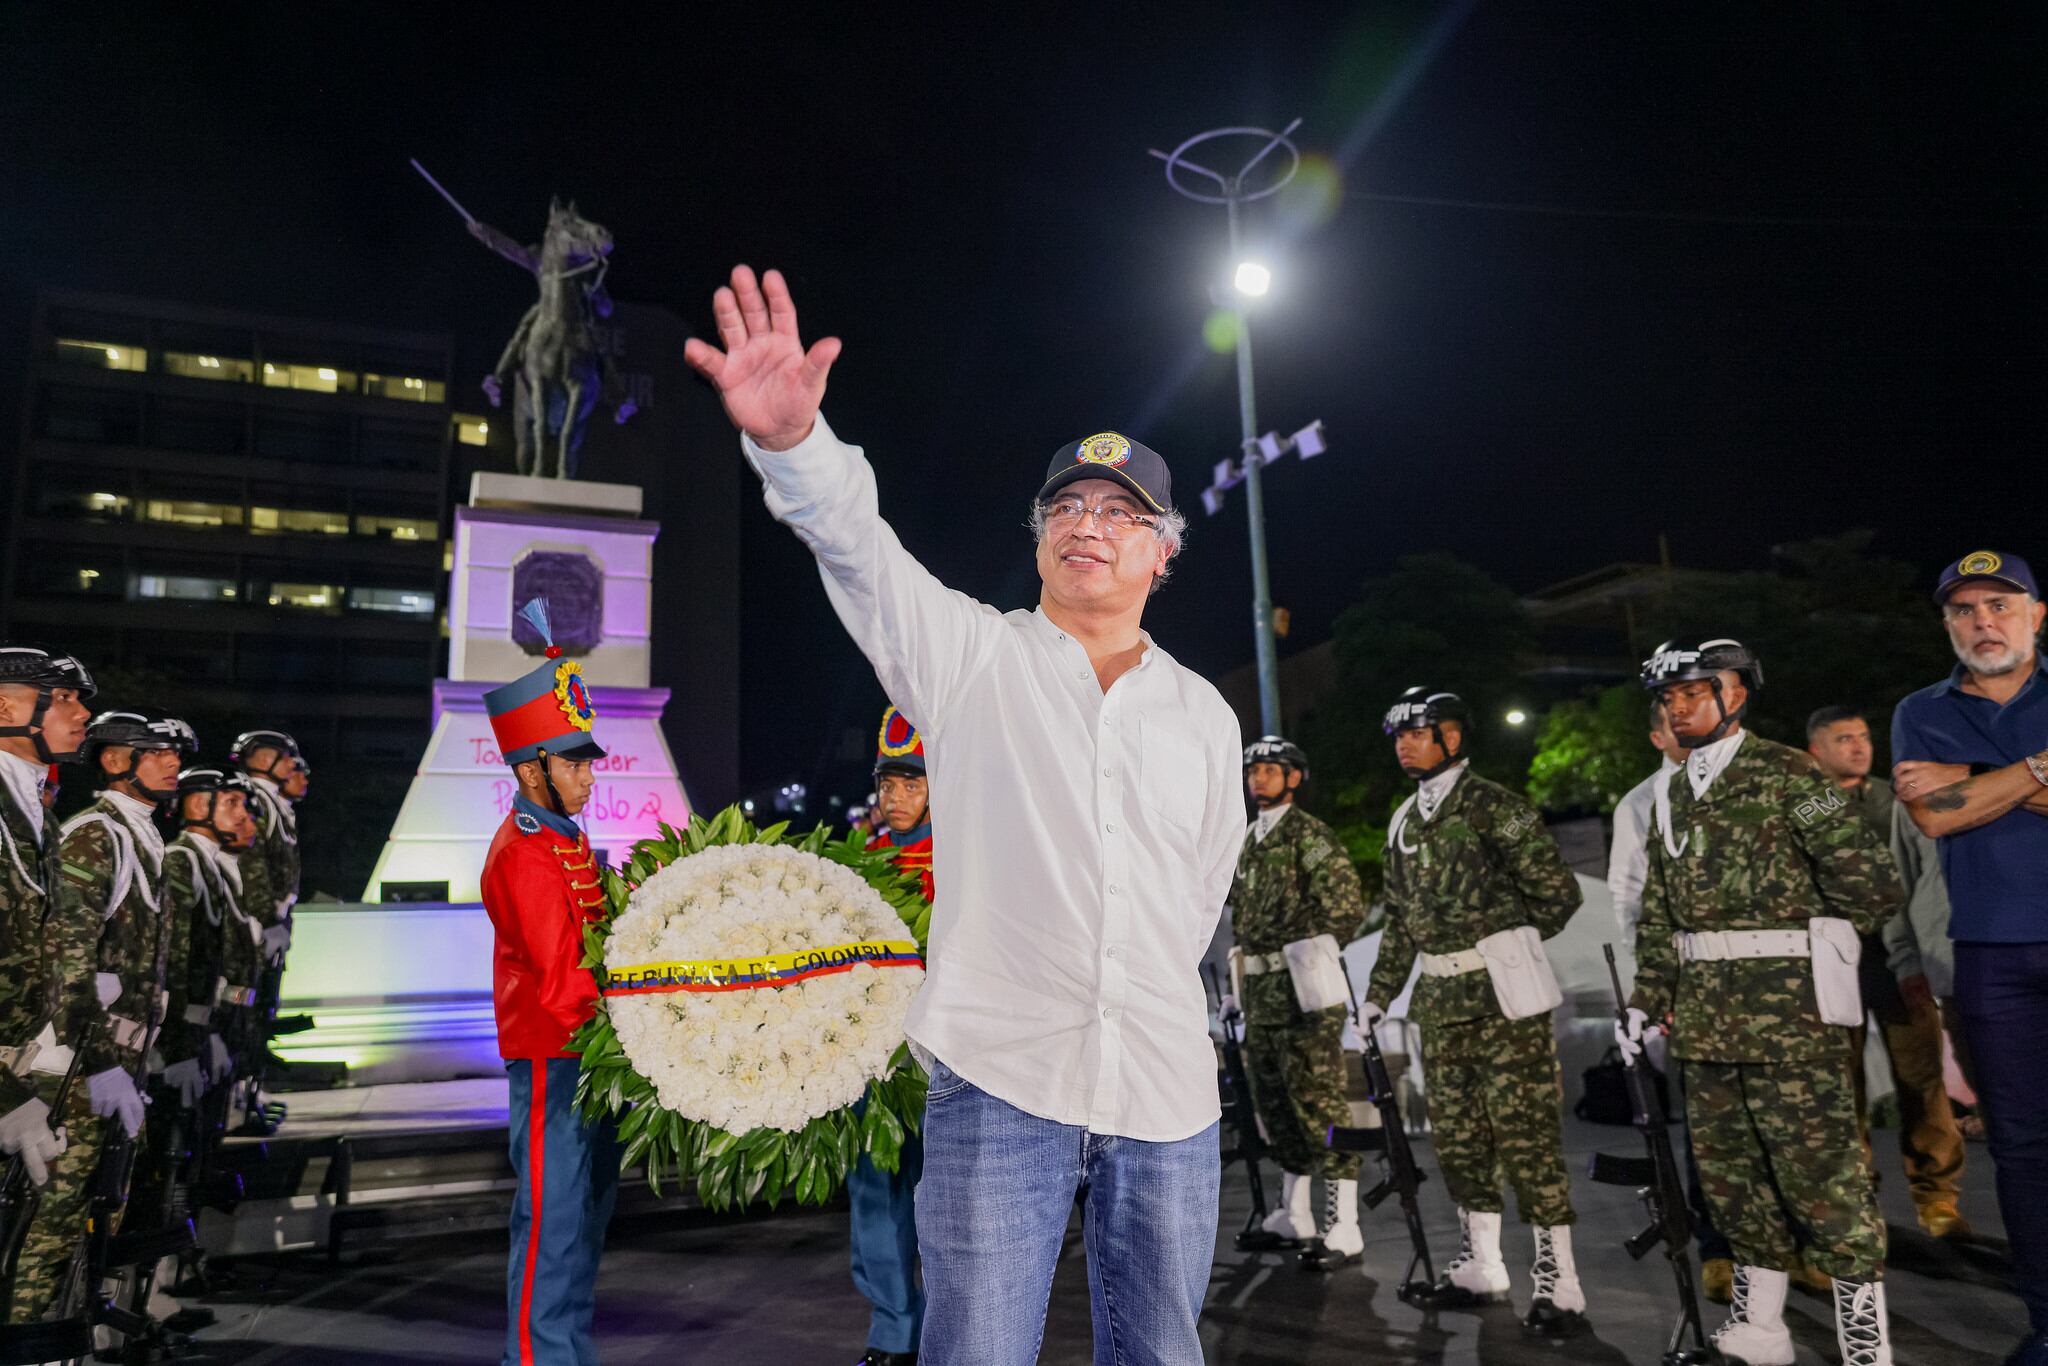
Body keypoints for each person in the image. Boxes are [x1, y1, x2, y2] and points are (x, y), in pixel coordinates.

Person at [685, 266, 1243, 1366]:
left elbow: (1196, 900)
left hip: (1166, 1093)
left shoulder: (1204, 716)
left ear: (1162, 549)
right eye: (1066, 507)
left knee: (1165, 1354)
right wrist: (797, 446)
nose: (1089, 525)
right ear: (1039, 535)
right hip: (1001, 1082)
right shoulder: (969, 657)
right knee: (975, 1350)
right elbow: (858, 552)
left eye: (1120, 513)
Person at [1623, 638, 1901, 1366]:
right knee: (1731, 1182)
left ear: (1735, 695)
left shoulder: (1787, 771)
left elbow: (1871, 883)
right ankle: (1761, 1327)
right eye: (1668, 698)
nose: (1678, 708)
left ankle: (1864, 1342)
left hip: (1790, 1021)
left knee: (1824, 1181)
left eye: (1693, 692)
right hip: (1707, 1023)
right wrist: (1645, 997)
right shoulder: (1674, 790)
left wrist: (1804, 939)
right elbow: (1660, 908)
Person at [1366, 688, 1587, 1337]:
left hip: (1502, 1002)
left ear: (1454, 738)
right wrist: (1380, 994)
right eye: (1400, 735)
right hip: (1439, 1003)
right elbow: (1400, 922)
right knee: (1459, 1140)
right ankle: (1481, 1264)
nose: (1405, 744)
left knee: (1527, 1140)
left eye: (1419, 732)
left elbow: (1558, 894)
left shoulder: (1496, 806)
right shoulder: (1404, 820)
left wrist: (1506, 940)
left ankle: (1559, 1278)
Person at [1890, 551, 2048, 1366]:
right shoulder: (1921, 711)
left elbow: (1957, 799)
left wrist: (1975, 779)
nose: (1983, 620)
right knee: (2021, 1147)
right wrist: (2033, 770)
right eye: (1963, 609)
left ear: (2037, 614)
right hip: (1988, 955)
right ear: (1947, 625)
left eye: (1999, 603)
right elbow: (1934, 819)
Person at [11, 712, 197, 1324]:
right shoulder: (98, 834)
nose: (172, 763)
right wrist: (97, 1064)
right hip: (74, 1068)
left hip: (115, 1061)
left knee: (95, 1212)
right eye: (155, 752)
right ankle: (29, 1339)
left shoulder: (141, 836)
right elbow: (69, 960)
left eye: (174, 753)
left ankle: (70, 1329)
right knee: (49, 1225)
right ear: (116, 761)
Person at [480, 599, 620, 1366]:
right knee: (552, 1218)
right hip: (554, 1054)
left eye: (586, 761)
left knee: (585, 1215)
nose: (588, 775)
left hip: (584, 1058)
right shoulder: (525, 850)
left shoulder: (566, 838)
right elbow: (560, 975)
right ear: (531, 770)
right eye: (573, 762)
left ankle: (565, 1351)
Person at [1807, 705, 1969, 1240]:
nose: (1859, 746)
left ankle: (1938, 1198)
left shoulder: (1896, 795)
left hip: (1893, 955)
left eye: (1863, 735)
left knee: (1921, 1079)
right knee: (1841, 1086)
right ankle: (1859, 1201)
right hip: (1830, 960)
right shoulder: (1803, 804)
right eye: (1844, 738)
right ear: (1816, 751)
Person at [1607, 701, 1741, 1302]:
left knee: (1786, 1127)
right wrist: (1652, 987)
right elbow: (1631, 902)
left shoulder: (1751, 780)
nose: (1685, 730)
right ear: (1656, 735)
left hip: (1766, 983)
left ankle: (1795, 1245)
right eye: (1672, 722)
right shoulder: (1641, 803)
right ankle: (1718, 1249)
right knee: (1706, 1130)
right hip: (1688, 982)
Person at [1225, 734, 1369, 1270]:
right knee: (1276, 1110)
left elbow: (1345, 906)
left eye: (1270, 768)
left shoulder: (1310, 836)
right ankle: (1295, 1214)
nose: (1258, 777)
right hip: (1261, 996)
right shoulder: (1248, 839)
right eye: (1253, 770)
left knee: (1320, 1106)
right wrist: (1237, 990)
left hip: (1304, 996)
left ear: (1294, 777)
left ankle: (1344, 1223)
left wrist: (1308, 963)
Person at [0, 646, 91, 1313]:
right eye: (62, 699)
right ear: (7, 706)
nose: (81, 713)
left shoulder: (38, 813)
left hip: (32, 1074)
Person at [850, 705, 933, 1366]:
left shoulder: (962, 857)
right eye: (887, 784)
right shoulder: (860, 863)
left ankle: (946, 1330)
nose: (895, 797)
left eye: (911, 784)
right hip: (875, 1061)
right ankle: (892, 1329)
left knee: (945, 1201)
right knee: (876, 1192)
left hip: (943, 1061)